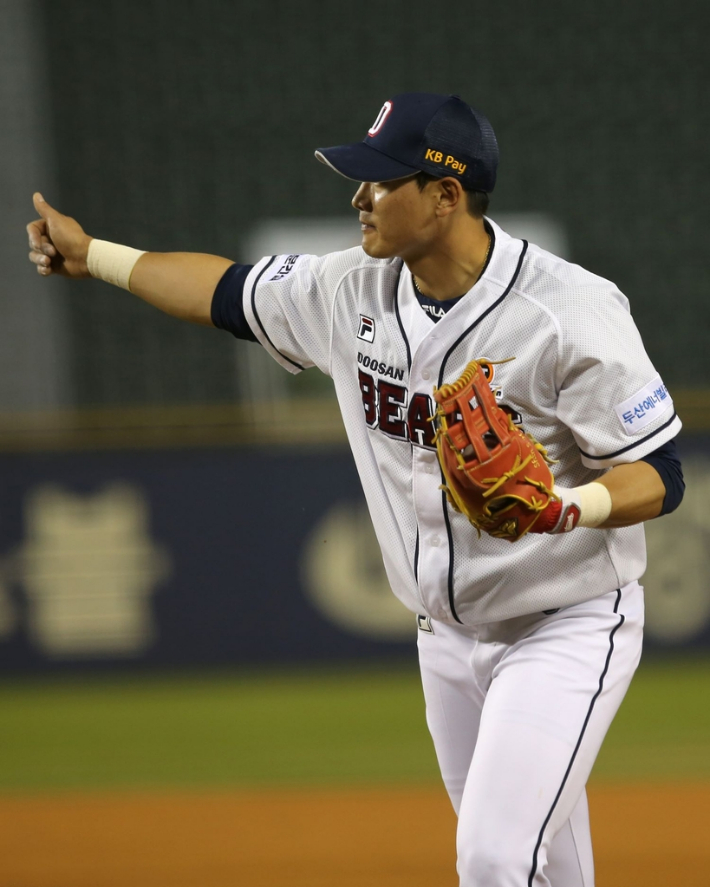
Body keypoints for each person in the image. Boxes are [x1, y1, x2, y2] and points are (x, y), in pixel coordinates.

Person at [27, 92, 684, 887]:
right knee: (546, 868)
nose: (358, 197)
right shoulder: (348, 290)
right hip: (443, 636)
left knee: (493, 857)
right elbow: (225, 292)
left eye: (380, 180)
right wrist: (92, 252)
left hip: (566, 625)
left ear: (446, 195)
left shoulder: (568, 311)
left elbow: (662, 472)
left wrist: (567, 505)